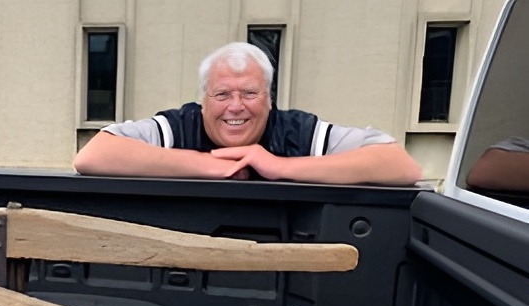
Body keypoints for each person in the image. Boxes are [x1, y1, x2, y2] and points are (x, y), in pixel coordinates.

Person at [73, 42, 422, 185]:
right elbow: (92, 155)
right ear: (204, 100)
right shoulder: (177, 127)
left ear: (269, 99)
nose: (236, 107)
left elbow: (401, 166)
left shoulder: (299, 132)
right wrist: (211, 166)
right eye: (222, 94)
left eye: (250, 94)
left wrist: (277, 165)